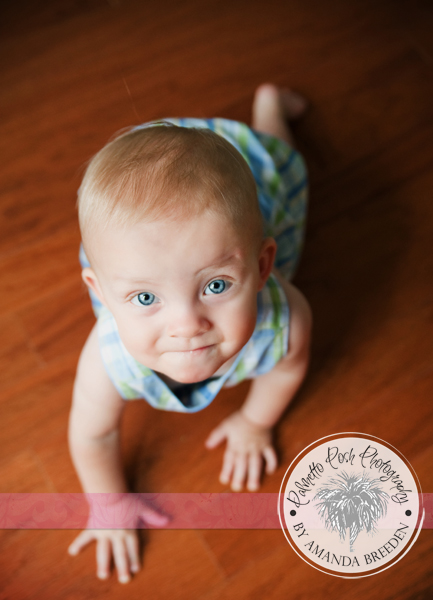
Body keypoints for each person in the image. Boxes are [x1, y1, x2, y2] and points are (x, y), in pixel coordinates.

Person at [67, 84, 312, 583]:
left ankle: (268, 108)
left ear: (264, 266)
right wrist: (109, 503)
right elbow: (93, 434)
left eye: (216, 286)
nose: (186, 325)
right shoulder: (109, 357)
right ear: (102, 291)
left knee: (276, 159)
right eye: (145, 298)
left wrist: (255, 422)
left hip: (256, 185)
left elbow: (288, 367)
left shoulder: (284, 319)